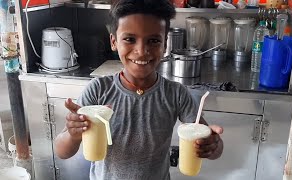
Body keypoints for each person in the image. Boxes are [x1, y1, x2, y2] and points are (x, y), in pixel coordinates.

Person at [54, 0, 223, 179]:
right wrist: (73, 135)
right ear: (113, 41)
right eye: (129, 39)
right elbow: (62, 151)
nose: (142, 51)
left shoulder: (176, 94)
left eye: (153, 41)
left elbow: (213, 146)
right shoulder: (98, 90)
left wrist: (212, 145)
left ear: (165, 45)